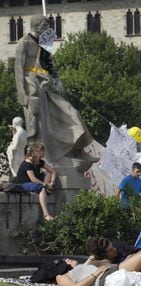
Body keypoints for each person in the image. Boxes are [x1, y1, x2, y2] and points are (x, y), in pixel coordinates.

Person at [14, 15, 98, 167]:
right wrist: (23, 95)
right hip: (32, 86)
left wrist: (56, 79)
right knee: (41, 126)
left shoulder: (45, 42)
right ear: (37, 25)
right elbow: (18, 69)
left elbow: (49, 64)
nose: (47, 27)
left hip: (47, 84)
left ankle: (78, 149)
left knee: (72, 114)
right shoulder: (24, 42)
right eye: (45, 24)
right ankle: (52, 157)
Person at [12, 144, 55, 220]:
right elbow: (33, 179)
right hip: (23, 184)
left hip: (33, 183)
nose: (44, 153)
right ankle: (46, 215)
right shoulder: (27, 163)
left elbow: (52, 171)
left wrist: (52, 182)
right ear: (35, 152)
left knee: (48, 173)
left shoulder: (40, 161)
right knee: (41, 188)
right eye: (41, 151)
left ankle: (45, 188)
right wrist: (45, 185)